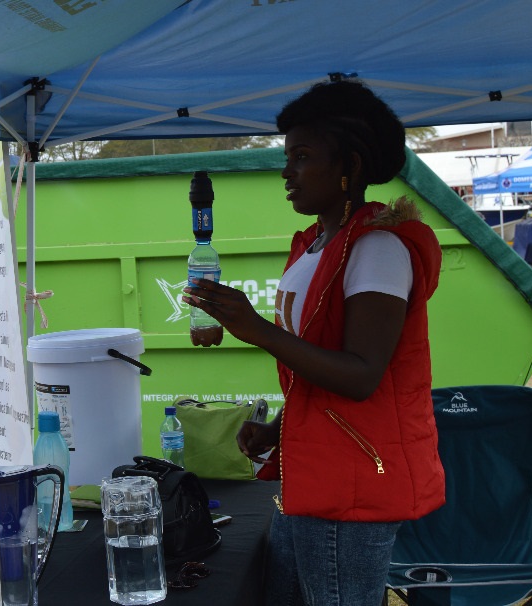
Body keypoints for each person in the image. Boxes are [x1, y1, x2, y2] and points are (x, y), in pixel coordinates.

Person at [184, 81, 444, 605]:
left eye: (302, 157)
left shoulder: (377, 248)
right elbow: (317, 365)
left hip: (353, 479)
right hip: (314, 466)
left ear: (350, 166)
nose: (287, 172)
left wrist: (255, 328)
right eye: (287, 157)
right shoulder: (317, 245)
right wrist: (279, 429)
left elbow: (361, 373)